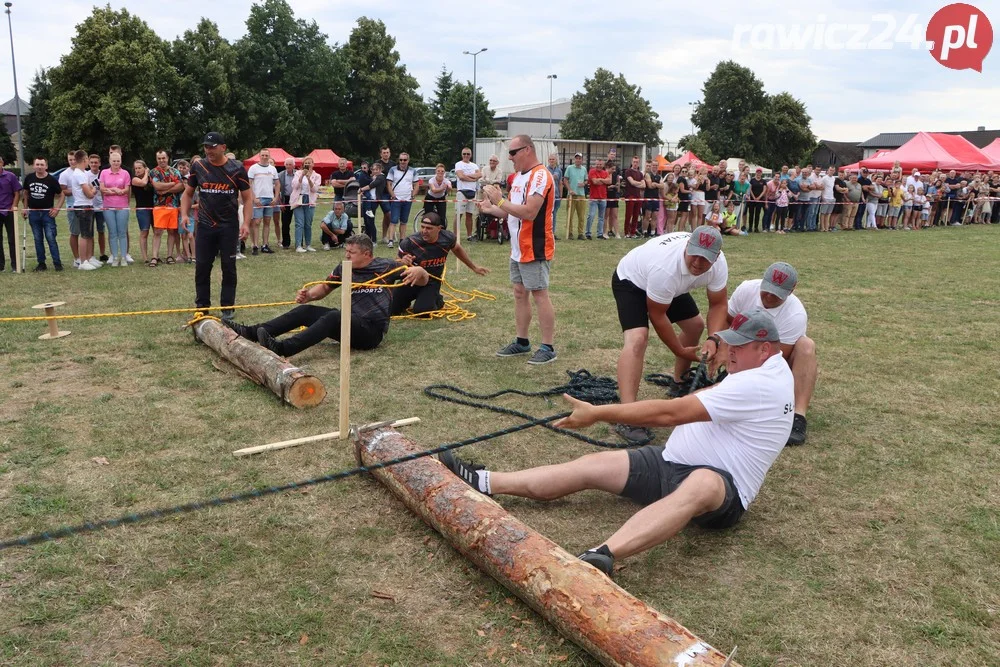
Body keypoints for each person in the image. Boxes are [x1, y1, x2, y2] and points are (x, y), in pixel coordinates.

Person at [439, 307, 794, 578]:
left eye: (738, 347)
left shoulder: (759, 385)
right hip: (670, 463)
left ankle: (602, 555)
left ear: (764, 349)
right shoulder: (762, 370)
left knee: (700, 484)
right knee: (591, 466)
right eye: (729, 344)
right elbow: (712, 394)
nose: (729, 352)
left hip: (722, 490)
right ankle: (485, 482)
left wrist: (598, 413)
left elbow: (670, 415)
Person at [223, 234, 429, 357]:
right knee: (306, 311)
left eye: (352, 252)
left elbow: (422, 279)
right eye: (346, 251)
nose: (346, 255)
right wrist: (308, 296)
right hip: (350, 324)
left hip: (371, 333)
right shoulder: (343, 267)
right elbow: (324, 288)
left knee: (334, 316)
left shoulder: (387, 266)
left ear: (367, 254)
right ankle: (252, 332)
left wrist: (420, 272)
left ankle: (283, 348)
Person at [611, 226, 728, 441]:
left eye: (706, 259)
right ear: (687, 246)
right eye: (695, 255)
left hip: (670, 286)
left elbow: (719, 304)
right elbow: (658, 315)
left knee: (695, 326)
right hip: (632, 280)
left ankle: (679, 383)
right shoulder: (666, 267)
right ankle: (626, 416)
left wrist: (714, 339)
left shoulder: (719, 265)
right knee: (637, 338)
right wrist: (681, 351)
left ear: (717, 257)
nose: (698, 263)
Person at [478, 135, 557, 366]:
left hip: (535, 245)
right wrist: (491, 209)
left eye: (513, 152)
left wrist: (500, 202)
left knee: (539, 294)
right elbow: (511, 211)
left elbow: (530, 212)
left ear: (528, 150)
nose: (510, 157)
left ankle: (548, 346)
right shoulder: (518, 178)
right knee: (519, 293)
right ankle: (522, 342)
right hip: (518, 247)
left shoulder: (541, 175)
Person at [726, 262, 814, 446]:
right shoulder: (746, 289)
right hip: (744, 351)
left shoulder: (795, 314)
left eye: (777, 293)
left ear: (791, 290)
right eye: (767, 289)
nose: (769, 296)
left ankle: (798, 416)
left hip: (775, 360)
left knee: (806, 346)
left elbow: (776, 358)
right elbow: (728, 323)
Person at [181, 132, 252, 319]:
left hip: (228, 227)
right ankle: (202, 307)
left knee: (229, 267)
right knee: (202, 267)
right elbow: (188, 193)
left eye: (212, 147)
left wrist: (246, 223)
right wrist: (184, 214)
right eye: (206, 147)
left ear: (223, 147)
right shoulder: (199, 166)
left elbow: (247, 198)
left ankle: (227, 307)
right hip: (204, 226)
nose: (208, 150)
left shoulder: (237, 169)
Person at [392, 210, 489, 316]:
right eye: (423, 227)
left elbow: (457, 249)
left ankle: (437, 300)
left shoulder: (447, 238)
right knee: (391, 309)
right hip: (410, 281)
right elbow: (396, 264)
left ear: (439, 228)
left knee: (423, 312)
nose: (424, 231)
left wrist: (474, 267)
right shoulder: (410, 242)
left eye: (429, 228)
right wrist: (402, 262)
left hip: (431, 282)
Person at [21, 157, 65, 271]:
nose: (39, 167)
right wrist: (25, 208)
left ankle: (57, 263)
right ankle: (41, 263)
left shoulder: (51, 180)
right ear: (34, 165)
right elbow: (25, 193)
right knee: (37, 239)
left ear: (46, 166)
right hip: (34, 213)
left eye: (42, 164)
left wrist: (57, 209)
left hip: (47, 213)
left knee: (51, 238)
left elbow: (62, 195)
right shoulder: (29, 178)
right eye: (37, 164)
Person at [149, 150, 184, 267]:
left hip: (173, 206)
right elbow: (157, 186)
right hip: (159, 206)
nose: (161, 160)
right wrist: (172, 184)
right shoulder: (153, 172)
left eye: (163, 158)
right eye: (159, 158)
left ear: (167, 158)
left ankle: (169, 255)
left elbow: (181, 186)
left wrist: (166, 190)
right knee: (157, 232)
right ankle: (154, 257)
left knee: (172, 232)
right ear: (156, 159)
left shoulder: (175, 171)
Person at [69, 149, 101, 270]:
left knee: (88, 234)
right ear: (84, 160)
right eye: (87, 159)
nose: (88, 161)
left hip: (87, 206)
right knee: (84, 235)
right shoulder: (79, 174)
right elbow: (89, 193)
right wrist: (93, 190)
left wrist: (92, 189)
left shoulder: (82, 173)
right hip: (82, 206)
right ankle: (83, 262)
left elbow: (90, 188)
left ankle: (87, 258)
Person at [99, 151, 132, 266]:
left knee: (122, 232)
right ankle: (114, 257)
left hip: (122, 206)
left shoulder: (125, 173)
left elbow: (127, 189)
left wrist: (121, 191)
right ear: (110, 161)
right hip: (108, 206)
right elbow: (102, 188)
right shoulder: (104, 173)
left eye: (118, 161)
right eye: (114, 161)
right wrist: (113, 189)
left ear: (121, 161)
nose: (116, 163)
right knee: (112, 233)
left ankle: (123, 257)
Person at [247, 148, 279, 254]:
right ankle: (255, 245)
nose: (265, 157)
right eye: (263, 155)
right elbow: (249, 184)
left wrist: (275, 197)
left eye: (266, 155)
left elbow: (277, 184)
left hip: (269, 199)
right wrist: (254, 198)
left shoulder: (273, 169)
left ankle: (265, 245)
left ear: (269, 156)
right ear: (259, 156)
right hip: (258, 199)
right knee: (256, 222)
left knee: (267, 222)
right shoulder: (253, 168)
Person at [291, 157, 321, 252]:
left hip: (310, 199)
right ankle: (298, 245)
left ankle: (308, 244)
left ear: (313, 164)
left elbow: (315, 189)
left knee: (308, 223)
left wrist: (308, 178)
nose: (308, 164)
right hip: (298, 199)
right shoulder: (297, 173)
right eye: (306, 163)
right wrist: (302, 176)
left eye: (309, 163)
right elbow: (295, 186)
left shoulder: (317, 176)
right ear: (303, 164)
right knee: (299, 223)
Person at [386, 152, 416, 248]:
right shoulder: (393, 170)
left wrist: (413, 195)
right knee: (393, 220)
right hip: (396, 199)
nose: (402, 162)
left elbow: (417, 185)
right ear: (398, 160)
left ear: (408, 160)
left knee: (404, 221)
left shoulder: (413, 171)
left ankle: (402, 240)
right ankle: (390, 240)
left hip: (407, 200)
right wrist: (393, 195)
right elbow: (389, 184)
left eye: (405, 160)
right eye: (401, 160)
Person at [454, 147, 482, 240]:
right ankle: (455, 236)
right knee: (459, 214)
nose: (466, 155)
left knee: (469, 214)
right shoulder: (459, 164)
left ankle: (469, 235)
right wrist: (473, 178)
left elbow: (479, 175)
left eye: (468, 154)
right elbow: (461, 176)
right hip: (462, 191)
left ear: (471, 155)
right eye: (464, 154)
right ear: (462, 155)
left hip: (472, 191)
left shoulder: (474, 165)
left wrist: (468, 176)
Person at [131, 160, 155, 263]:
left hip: (154, 208)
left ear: (144, 168)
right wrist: (147, 173)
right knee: (144, 232)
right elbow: (143, 183)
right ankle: (145, 258)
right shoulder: (134, 179)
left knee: (157, 232)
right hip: (142, 209)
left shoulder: (151, 178)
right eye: (135, 168)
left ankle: (155, 256)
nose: (137, 170)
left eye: (139, 168)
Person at [562, 152, 587, 240]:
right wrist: (570, 190)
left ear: (582, 160)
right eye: (577, 158)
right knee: (570, 215)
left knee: (581, 216)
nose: (578, 160)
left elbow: (586, 180)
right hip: (571, 195)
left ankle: (580, 233)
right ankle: (570, 233)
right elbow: (565, 180)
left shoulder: (584, 169)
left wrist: (584, 183)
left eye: (580, 158)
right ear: (574, 159)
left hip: (581, 195)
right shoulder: (569, 168)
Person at [360, 162, 386, 243]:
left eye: (376, 169)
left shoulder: (381, 177)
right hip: (367, 200)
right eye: (373, 169)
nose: (375, 171)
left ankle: (374, 240)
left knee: (370, 221)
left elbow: (371, 185)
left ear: (380, 169)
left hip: (374, 201)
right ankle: (368, 239)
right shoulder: (373, 176)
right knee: (366, 221)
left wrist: (361, 189)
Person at [585, 157, 610, 240]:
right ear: (595, 164)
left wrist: (599, 179)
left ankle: (600, 234)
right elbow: (594, 182)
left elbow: (609, 181)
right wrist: (603, 180)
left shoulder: (605, 172)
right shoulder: (592, 171)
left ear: (603, 165)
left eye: (600, 164)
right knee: (591, 215)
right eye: (597, 164)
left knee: (601, 217)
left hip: (603, 197)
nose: (599, 166)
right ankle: (588, 233)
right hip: (594, 198)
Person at [375, 146, 395, 241]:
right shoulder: (377, 164)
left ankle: (384, 236)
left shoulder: (393, 164)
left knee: (386, 215)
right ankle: (388, 235)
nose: (386, 154)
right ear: (381, 154)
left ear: (389, 153)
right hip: (381, 193)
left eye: (387, 152)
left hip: (390, 192)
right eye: (384, 152)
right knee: (389, 214)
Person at [278, 157, 296, 249]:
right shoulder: (280, 175)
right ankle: (286, 243)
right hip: (285, 199)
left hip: (296, 199)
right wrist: (280, 203)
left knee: (299, 222)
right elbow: (277, 190)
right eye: (287, 164)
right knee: (285, 223)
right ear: (284, 165)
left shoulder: (298, 174)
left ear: (294, 165)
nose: (288, 166)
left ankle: (299, 243)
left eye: (290, 164)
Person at [545, 154, 562, 239]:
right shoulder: (545, 170)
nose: (552, 161)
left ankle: (552, 233)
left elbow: (560, 182)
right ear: (548, 160)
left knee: (554, 215)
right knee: (548, 215)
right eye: (550, 159)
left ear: (556, 160)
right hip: (548, 196)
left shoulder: (559, 170)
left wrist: (561, 195)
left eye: (553, 159)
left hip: (557, 195)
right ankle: (547, 233)